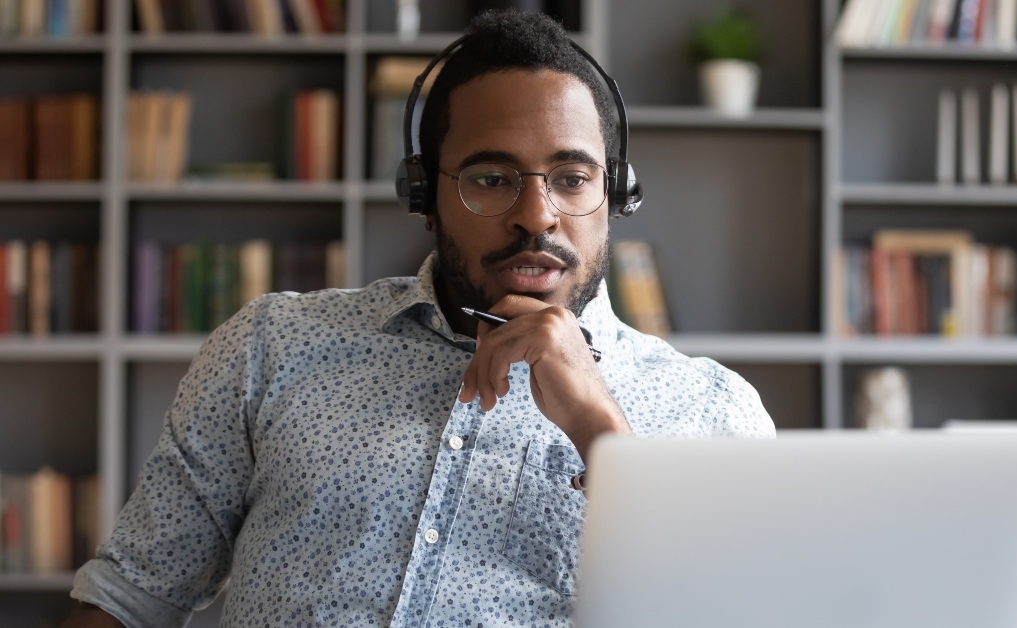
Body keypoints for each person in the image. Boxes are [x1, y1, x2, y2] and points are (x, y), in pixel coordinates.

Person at [64, 10, 773, 628]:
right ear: (424, 197)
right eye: (490, 179)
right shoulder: (270, 349)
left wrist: (603, 436)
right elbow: (129, 601)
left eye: (571, 177)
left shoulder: (713, 413)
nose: (535, 214)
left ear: (615, 194)